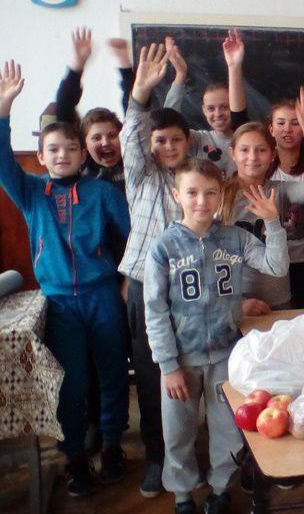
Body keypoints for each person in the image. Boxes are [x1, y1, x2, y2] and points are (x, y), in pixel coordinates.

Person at [0, 60, 131, 496]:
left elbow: (133, 237)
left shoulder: (102, 192)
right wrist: (2, 108)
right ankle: (74, 459)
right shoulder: (31, 192)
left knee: (112, 373)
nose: (62, 155)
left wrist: (126, 280)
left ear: (82, 154)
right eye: (52, 149)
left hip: (103, 296)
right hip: (59, 303)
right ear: (41, 156)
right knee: (71, 384)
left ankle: (112, 446)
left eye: (71, 148)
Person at [144, 158, 288, 514]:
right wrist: (168, 365)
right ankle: (182, 495)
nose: (201, 201)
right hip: (181, 360)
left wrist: (272, 223)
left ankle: (221, 489)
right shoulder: (164, 247)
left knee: (227, 427)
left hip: (226, 355)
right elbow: (155, 311)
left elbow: (276, 266)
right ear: (177, 194)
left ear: (221, 195)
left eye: (210, 193)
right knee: (178, 431)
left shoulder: (235, 237)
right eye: (192, 192)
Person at [119, 43, 192, 498]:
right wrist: (140, 96)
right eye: (159, 140)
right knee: (150, 375)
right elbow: (136, 134)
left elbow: (172, 122)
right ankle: (156, 456)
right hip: (145, 287)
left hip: (188, 289)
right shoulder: (141, 175)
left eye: (175, 140)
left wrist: (179, 84)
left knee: (187, 372)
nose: (166, 146)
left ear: (188, 143)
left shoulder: (194, 182)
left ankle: (187, 450)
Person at [219, 88, 304, 311]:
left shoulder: (280, 191)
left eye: (261, 150)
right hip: (235, 302)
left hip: (278, 299)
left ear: (273, 155)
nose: (252, 157)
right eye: (244, 150)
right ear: (232, 154)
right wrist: (238, 304)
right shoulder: (219, 194)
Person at [163, 30, 250, 175]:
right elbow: (167, 124)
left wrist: (234, 66)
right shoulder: (198, 139)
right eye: (211, 108)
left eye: (224, 107)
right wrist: (180, 74)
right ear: (203, 110)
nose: (218, 113)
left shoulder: (249, 137)